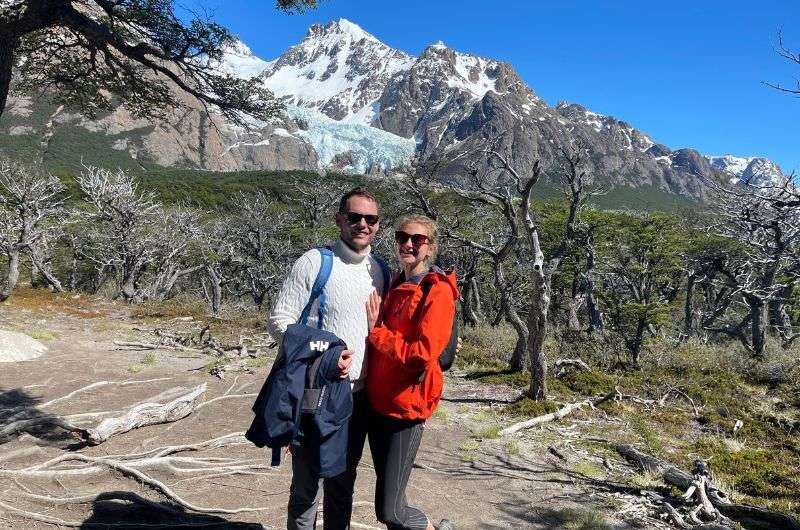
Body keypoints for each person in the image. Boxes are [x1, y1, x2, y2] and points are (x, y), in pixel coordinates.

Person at [268, 187, 387, 530]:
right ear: (339, 219)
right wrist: (325, 355)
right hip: (316, 396)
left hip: (359, 399)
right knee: (307, 487)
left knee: (342, 486)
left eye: (370, 219)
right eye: (354, 217)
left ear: (378, 226)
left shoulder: (379, 269)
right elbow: (280, 321)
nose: (362, 224)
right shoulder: (315, 262)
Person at [365, 214, 457, 530]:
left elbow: (422, 353)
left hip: (405, 410)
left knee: (389, 511)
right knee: (395, 500)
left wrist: (376, 333)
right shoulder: (394, 282)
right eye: (402, 237)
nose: (408, 244)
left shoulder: (438, 290)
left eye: (418, 239)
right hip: (378, 405)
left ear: (430, 248)